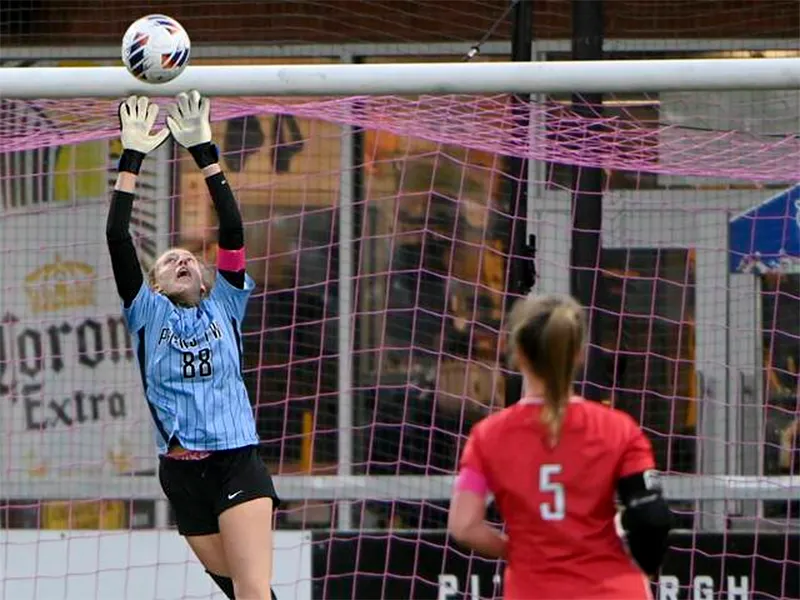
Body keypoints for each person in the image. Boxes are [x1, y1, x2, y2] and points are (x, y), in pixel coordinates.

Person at [106, 93, 279, 600]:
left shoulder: (225, 303)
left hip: (235, 460)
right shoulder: (146, 311)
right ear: (154, 284)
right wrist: (132, 156)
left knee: (251, 592)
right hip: (180, 474)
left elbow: (232, 228)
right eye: (168, 261)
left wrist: (204, 152)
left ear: (207, 280)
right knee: (243, 593)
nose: (181, 260)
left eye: (189, 259)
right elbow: (118, 236)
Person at [447, 293, 674, 600]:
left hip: (534, 590)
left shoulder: (487, 436)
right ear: (579, 354)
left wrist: (519, 550)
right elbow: (651, 517)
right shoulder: (619, 429)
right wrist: (643, 567)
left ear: (519, 354)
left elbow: (464, 527)